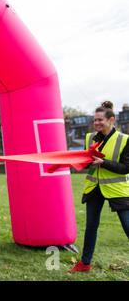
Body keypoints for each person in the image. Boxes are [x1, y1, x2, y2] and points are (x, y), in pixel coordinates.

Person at [69, 101, 129, 272]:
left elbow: (126, 168)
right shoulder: (89, 138)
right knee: (91, 227)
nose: (96, 123)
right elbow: (87, 162)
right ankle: (85, 263)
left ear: (111, 120)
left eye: (100, 120)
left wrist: (103, 163)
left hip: (117, 190)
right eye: (95, 120)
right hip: (94, 189)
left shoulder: (125, 140)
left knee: (128, 226)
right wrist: (70, 162)